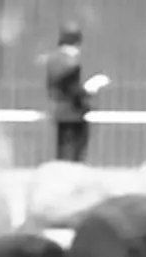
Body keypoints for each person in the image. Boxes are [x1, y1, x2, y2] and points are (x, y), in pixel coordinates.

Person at [46, 21, 91, 163]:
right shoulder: (71, 63)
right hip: (73, 114)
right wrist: (87, 92)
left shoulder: (52, 60)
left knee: (62, 149)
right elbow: (72, 90)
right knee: (73, 153)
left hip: (59, 112)